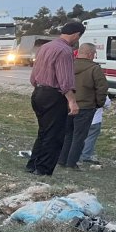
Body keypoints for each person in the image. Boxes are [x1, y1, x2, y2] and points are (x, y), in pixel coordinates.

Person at [25, 21, 85, 176]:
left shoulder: (45, 47)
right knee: (54, 135)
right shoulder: (65, 51)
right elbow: (65, 81)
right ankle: (43, 170)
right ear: (76, 35)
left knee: (44, 132)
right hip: (53, 96)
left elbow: (33, 76)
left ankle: (33, 164)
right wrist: (72, 101)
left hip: (38, 92)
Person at [57, 43, 109, 170]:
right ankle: (72, 162)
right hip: (85, 106)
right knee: (79, 136)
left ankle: (62, 159)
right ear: (91, 54)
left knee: (67, 134)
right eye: (94, 54)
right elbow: (102, 88)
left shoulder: (69, 65)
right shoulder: (94, 69)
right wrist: (99, 103)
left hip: (67, 104)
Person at [79, 95, 111, 165]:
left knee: (78, 136)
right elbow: (107, 104)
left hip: (80, 118)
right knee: (90, 138)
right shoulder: (100, 91)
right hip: (95, 119)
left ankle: (74, 154)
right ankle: (85, 156)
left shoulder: (80, 88)